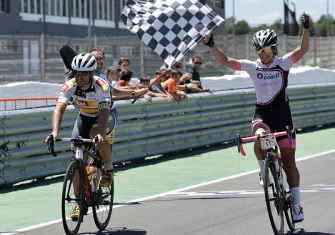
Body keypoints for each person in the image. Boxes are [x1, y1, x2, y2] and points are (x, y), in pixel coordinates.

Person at [204, 12, 309, 222]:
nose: (263, 53)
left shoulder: (284, 63)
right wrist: (212, 45)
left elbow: (303, 49)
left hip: (283, 117)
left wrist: (306, 28)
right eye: (260, 49)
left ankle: (296, 204)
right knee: (261, 138)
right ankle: (264, 170)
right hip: (262, 115)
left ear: (274, 48)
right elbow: (226, 60)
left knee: (289, 161)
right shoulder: (253, 67)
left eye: (267, 49)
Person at [45, 53, 115, 219]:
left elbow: (104, 112)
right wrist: (54, 132)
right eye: (77, 73)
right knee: (77, 154)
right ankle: (79, 202)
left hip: (104, 115)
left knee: (95, 135)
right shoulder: (69, 86)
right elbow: (59, 109)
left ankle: (108, 168)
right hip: (84, 116)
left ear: (92, 73)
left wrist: (100, 134)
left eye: (84, 73)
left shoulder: (102, 86)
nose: (80, 77)